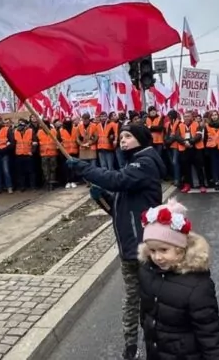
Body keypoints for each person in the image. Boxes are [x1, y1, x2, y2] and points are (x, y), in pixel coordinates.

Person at [66, 124, 165, 360]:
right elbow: (122, 209)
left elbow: (118, 180)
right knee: (132, 300)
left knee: (150, 301)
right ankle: (131, 347)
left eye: (128, 136)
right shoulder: (132, 165)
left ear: (141, 139)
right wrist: (103, 198)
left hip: (144, 248)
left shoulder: (145, 163)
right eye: (120, 137)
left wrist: (83, 168)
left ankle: (155, 346)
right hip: (129, 248)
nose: (122, 141)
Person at [137, 198, 219, 359]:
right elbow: (145, 310)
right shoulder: (148, 271)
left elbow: (210, 334)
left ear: (180, 249)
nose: (157, 257)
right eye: (152, 250)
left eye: (164, 249)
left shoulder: (197, 286)